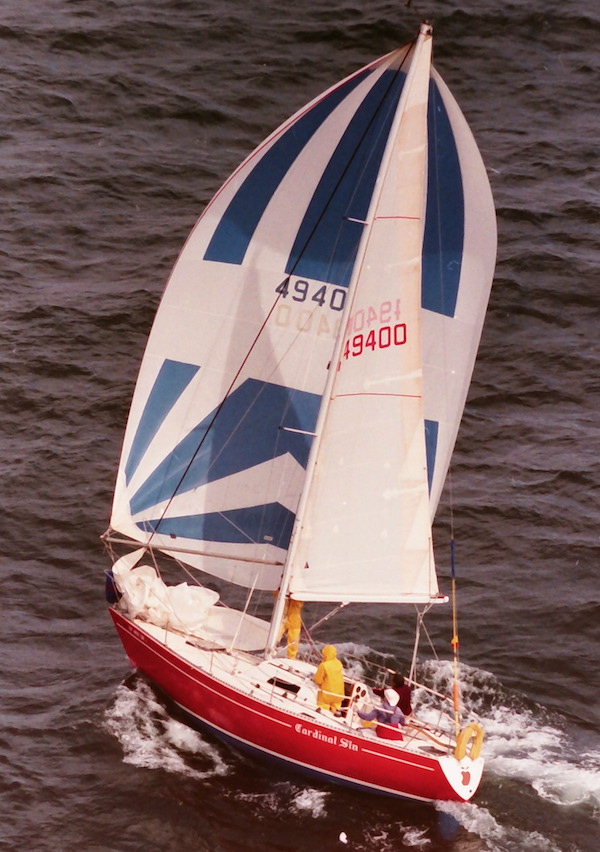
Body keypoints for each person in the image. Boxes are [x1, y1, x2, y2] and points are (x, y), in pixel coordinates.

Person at [313, 645, 345, 712]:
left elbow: (318, 680)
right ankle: (335, 713)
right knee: (335, 707)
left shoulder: (324, 665)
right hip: (339, 694)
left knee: (323, 706)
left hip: (327, 695)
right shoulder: (339, 663)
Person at [274, 590, 304, 659]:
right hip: (282, 618)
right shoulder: (283, 590)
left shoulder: (298, 595)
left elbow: (299, 602)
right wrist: (281, 591)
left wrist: (292, 595)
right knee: (275, 636)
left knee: (293, 642)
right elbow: (276, 595)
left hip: (294, 621)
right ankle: (271, 651)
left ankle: (291, 658)